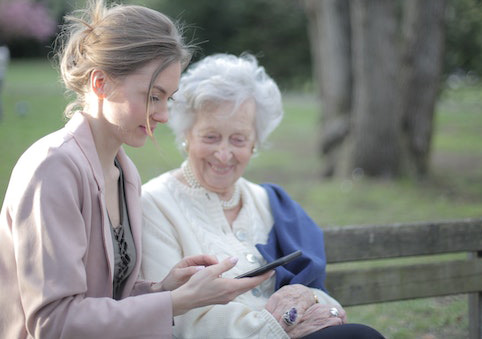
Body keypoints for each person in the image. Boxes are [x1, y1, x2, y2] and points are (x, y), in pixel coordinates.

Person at [0, 2, 270, 338]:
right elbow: (54, 323)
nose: (162, 115)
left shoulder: (123, 172)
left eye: (168, 99)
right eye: (152, 97)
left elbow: (106, 299)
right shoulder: (52, 168)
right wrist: (173, 303)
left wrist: (163, 289)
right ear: (101, 83)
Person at [140, 54, 384, 339]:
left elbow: (324, 301)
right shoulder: (154, 204)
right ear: (187, 135)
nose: (223, 154)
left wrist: (311, 300)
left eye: (238, 139)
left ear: (254, 143)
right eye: (210, 137)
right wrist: (277, 327)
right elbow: (178, 319)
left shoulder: (269, 202)